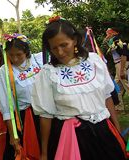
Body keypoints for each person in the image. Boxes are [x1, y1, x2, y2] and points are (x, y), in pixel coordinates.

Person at [31, 16, 128, 160]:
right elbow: (46, 115)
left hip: (103, 132)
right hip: (71, 137)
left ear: (75, 40)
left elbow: (107, 96)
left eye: (64, 45)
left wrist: (117, 129)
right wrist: (44, 153)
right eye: (54, 48)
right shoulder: (48, 73)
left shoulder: (94, 61)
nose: (60, 52)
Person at [0, 33, 42, 159]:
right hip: (23, 119)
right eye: (11, 55)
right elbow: (6, 106)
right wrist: (13, 135)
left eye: (19, 55)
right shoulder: (4, 71)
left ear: (26, 52)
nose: (15, 59)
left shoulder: (38, 60)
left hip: (44, 114)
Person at [104, 28, 129, 110]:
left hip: (121, 64)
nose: (107, 34)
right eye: (107, 32)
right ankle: (119, 106)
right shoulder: (113, 42)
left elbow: (124, 55)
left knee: (126, 84)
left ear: (115, 33)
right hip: (117, 64)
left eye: (109, 32)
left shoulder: (118, 41)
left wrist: (122, 70)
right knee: (117, 86)